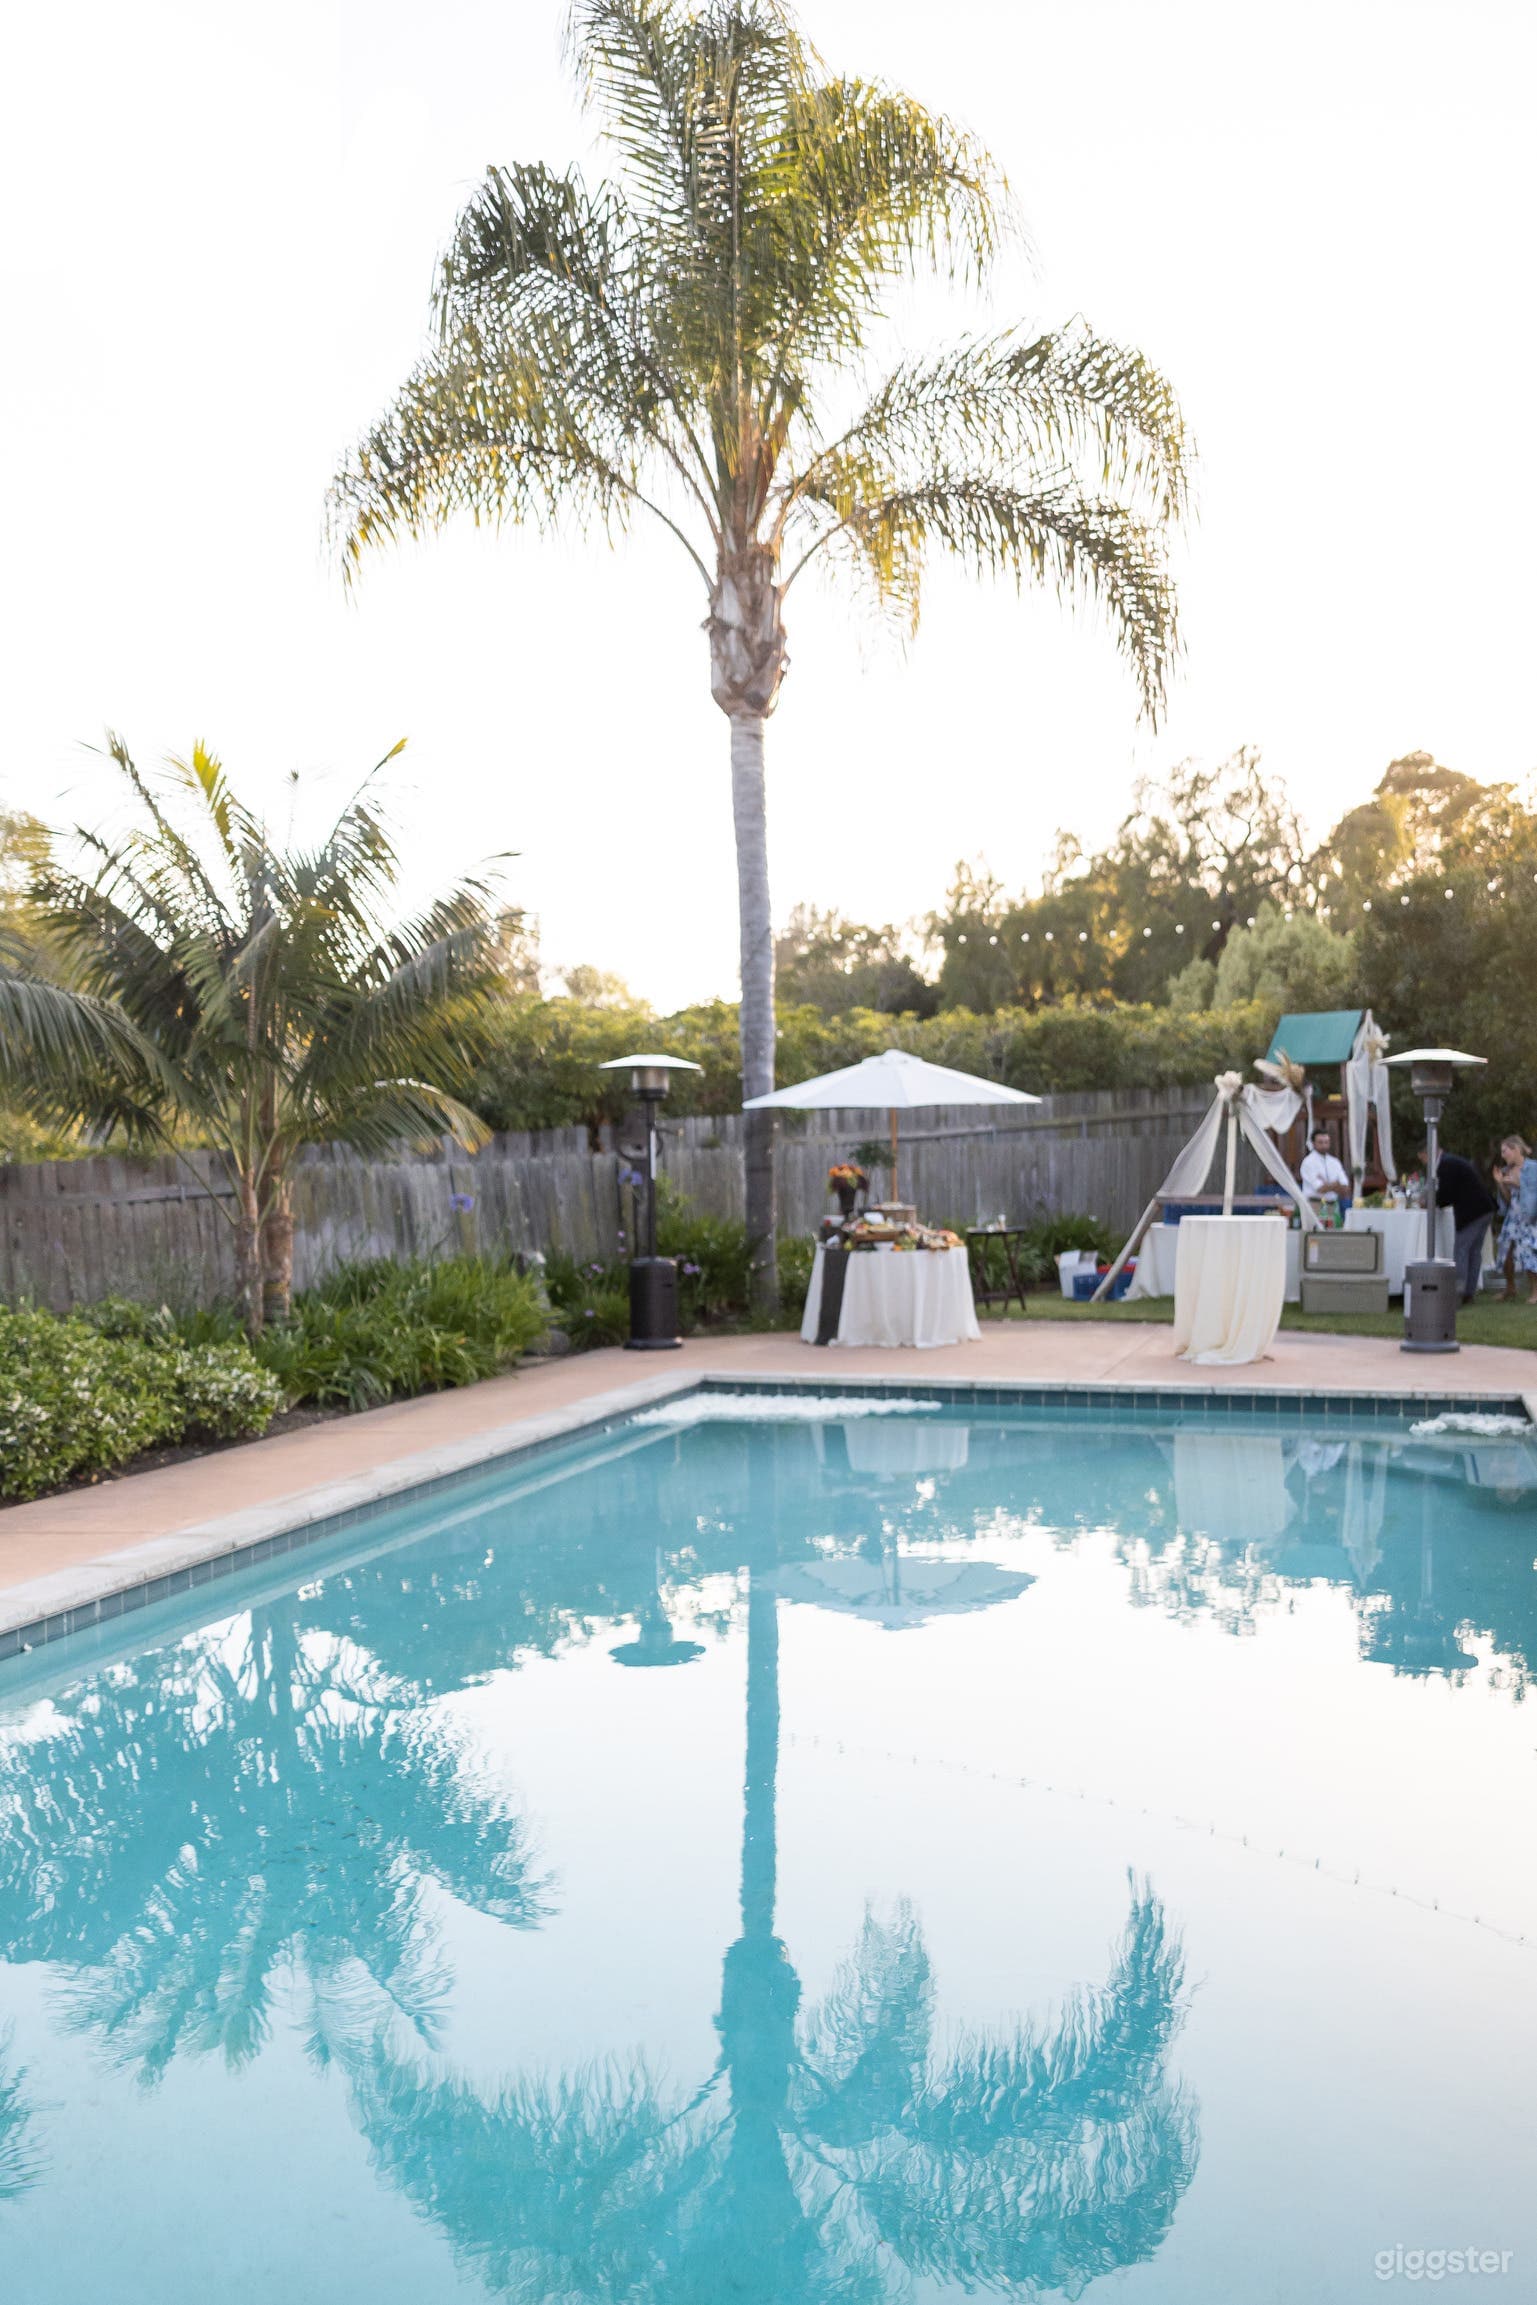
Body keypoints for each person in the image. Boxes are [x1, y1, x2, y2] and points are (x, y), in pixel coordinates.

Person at [1420, 1143, 1498, 1304]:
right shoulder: (1451, 1162)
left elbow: (1446, 1193)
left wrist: (1431, 1202)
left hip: (1472, 1212)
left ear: (1428, 1154)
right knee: (1474, 1252)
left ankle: (1458, 1292)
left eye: (1423, 1159)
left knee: (1462, 1251)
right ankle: (1469, 1291)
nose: (1424, 1163)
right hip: (1485, 1208)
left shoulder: (1446, 1165)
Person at [1496, 1135, 1537, 1306]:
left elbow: (1533, 1195)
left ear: (1516, 1149)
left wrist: (1519, 1184)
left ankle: (1535, 1291)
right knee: (1505, 1252)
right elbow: (1508, 1199)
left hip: (1529, 1217)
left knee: (1528, 1253)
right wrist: (1501, 1184)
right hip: (1513, 1217)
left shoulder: (1532, 1168)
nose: (1503, 1155)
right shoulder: (1507, 1171)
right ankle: (1510, 1287)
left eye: (1505, 1151)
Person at [1299, 1127, 1351, 1204]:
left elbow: (1346, 1189)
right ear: (1313, 1143)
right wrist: (1336, 1184)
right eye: (1320, 1142)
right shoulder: (1308, 1162)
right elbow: (1320, 1189)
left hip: (1333, 1204)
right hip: (1314, 1204)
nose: (1324, 1145)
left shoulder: (1335, 1162)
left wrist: (1327, 1184)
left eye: (1326, 1142)